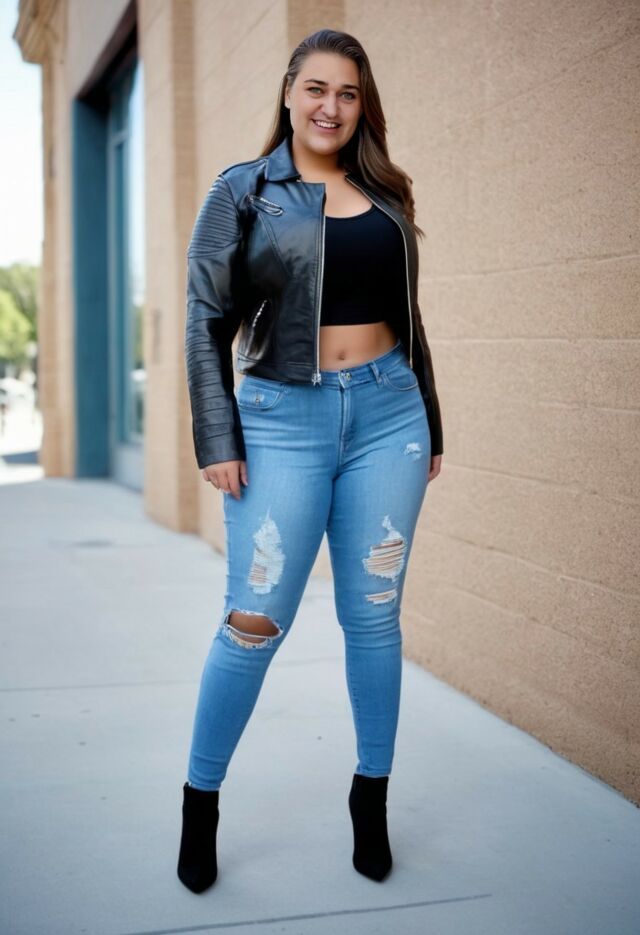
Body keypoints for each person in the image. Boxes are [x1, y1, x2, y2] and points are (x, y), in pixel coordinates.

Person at [177, 28, 444, 893]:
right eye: (317, 88)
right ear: (290, 92)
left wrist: (432, 424)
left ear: (364, 106)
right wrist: (217, 436)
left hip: (388, 415)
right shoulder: (243, 190)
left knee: (374, 616)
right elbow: (204, 317)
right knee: (254, 618)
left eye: (349, 93)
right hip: (279, 420)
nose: (332, 106)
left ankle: (371, 799)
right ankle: (200, 803)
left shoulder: (386, 194)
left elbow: (410, 316)